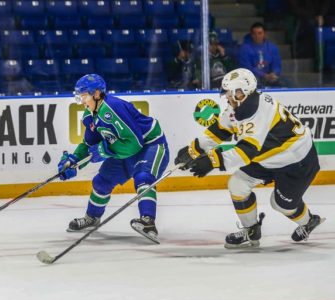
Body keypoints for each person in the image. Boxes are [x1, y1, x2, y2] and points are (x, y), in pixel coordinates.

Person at [174, 68, 324, 249]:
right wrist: (193, 149)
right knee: (237, 184)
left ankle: (309, 221)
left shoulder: (259, 111)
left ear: (245, 92)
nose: (228, 97)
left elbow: (246, 152)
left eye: (232, 93)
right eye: (228, 93)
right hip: (269, 157)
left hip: (296, 160)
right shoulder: (240, 106)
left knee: (280, 205)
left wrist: (211, 161)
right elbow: (220, 129)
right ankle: (251, 229)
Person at [58, 74, 170, 243]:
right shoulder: (90, 115)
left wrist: (103, 150)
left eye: (84, 96)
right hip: (124, 149)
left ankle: (148, 222)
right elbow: (89, 145)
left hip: (150, 145)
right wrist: (74, 161)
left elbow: (135, 143)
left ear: (96, 94)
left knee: (143, 178)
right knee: (101, 182)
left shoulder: (112, 108)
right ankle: (92, 218)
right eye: (80, 97)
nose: (82, 102)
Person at [238, 22, 286, 87]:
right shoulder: (244, 48)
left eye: (260, 33)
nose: (257, 36)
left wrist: (273, 74)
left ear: (264, 34)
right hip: (253, 78)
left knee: (286, 83)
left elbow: (277, 65)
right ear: (251, 35)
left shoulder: (272, 47)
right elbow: (247, 67)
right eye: (254, 34)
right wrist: (264, 75)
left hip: (270, 78)